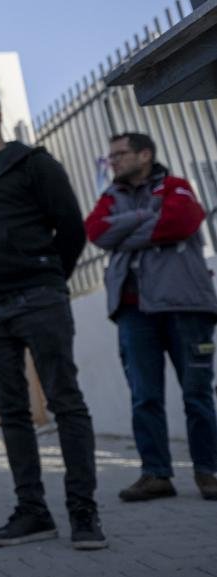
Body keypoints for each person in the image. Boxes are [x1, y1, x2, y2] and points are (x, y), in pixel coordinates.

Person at [0, 88, 106, 550]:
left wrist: (50, 278)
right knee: (11, 413)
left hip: (39, 298)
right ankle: (33, 512)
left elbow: (72, 228)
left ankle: (83, 512)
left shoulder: (34, 164)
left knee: (66, 402)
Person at [84, 132, 217, 502]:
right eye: (110, 156)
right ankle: (156, 475)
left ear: (145, 154)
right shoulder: (110, 197)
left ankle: (210, 472)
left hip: (185, 306)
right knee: (144, 397)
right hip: (134, 311)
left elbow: (181, 223)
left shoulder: (176, 186)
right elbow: (96, 231)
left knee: (198, 394)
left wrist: (126, 230)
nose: (113, 161)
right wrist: (145, 218)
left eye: (121, 154)